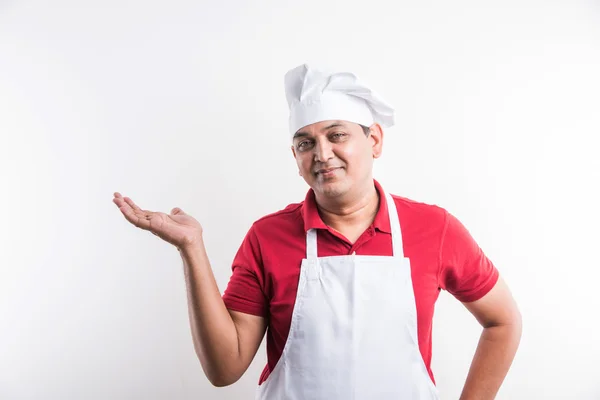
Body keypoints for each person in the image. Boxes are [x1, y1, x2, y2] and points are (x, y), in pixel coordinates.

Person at [113, 63, 522, 399]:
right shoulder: (266, 237)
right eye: (305, 143)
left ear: (374, 139)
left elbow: (503, 321)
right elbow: (225, 368)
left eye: (337, 135)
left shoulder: (435, 229)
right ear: (295, 156)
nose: (322, 154)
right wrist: (191, 248)